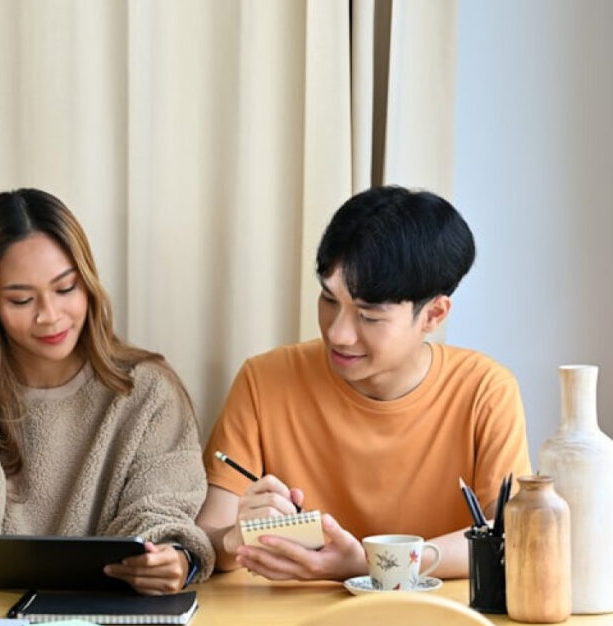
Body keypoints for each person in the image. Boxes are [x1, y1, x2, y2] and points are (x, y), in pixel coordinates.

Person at [0, 188, 213, 594]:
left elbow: (160, 516)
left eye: (66, 289)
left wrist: (169, 558)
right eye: (20, 299)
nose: (50, 316)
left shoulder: (147, 393)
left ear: (88, 284)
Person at [197, 185, 531, 582]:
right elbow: (207, 539)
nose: (338, 333)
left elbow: (509, 538)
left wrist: (369, 565)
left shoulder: (485, 391)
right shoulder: (264, 381)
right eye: (328, 300)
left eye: (369, 316)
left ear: (433, 315)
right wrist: (235, 538)